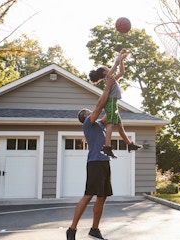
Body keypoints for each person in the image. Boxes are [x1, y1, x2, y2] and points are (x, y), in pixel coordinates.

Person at [66, 57, 119, 240]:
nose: (90, 112)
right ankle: (72, 229)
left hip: (104, 162)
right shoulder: (88, 123)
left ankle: (94, 229)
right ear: (85, 117)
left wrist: (113, 88)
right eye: (87, 112)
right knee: (89, 195)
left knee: (102, 197)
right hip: (95, 162)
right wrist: (106, 87)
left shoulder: (99, 124)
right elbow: (99, 106)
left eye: (89, 111)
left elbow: (108, 113)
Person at [89, 48, 141, 158]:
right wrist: (121, 55)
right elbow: (116, 64)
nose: (110, 69)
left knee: (120, 126)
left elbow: (122, 72)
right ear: (105, 72)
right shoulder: (108, 77)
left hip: (114, 103)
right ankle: (107, 147)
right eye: (108, 68)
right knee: (110, 124)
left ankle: (130, 145)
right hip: (111, 102)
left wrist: (122, 60)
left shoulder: (112, 79)